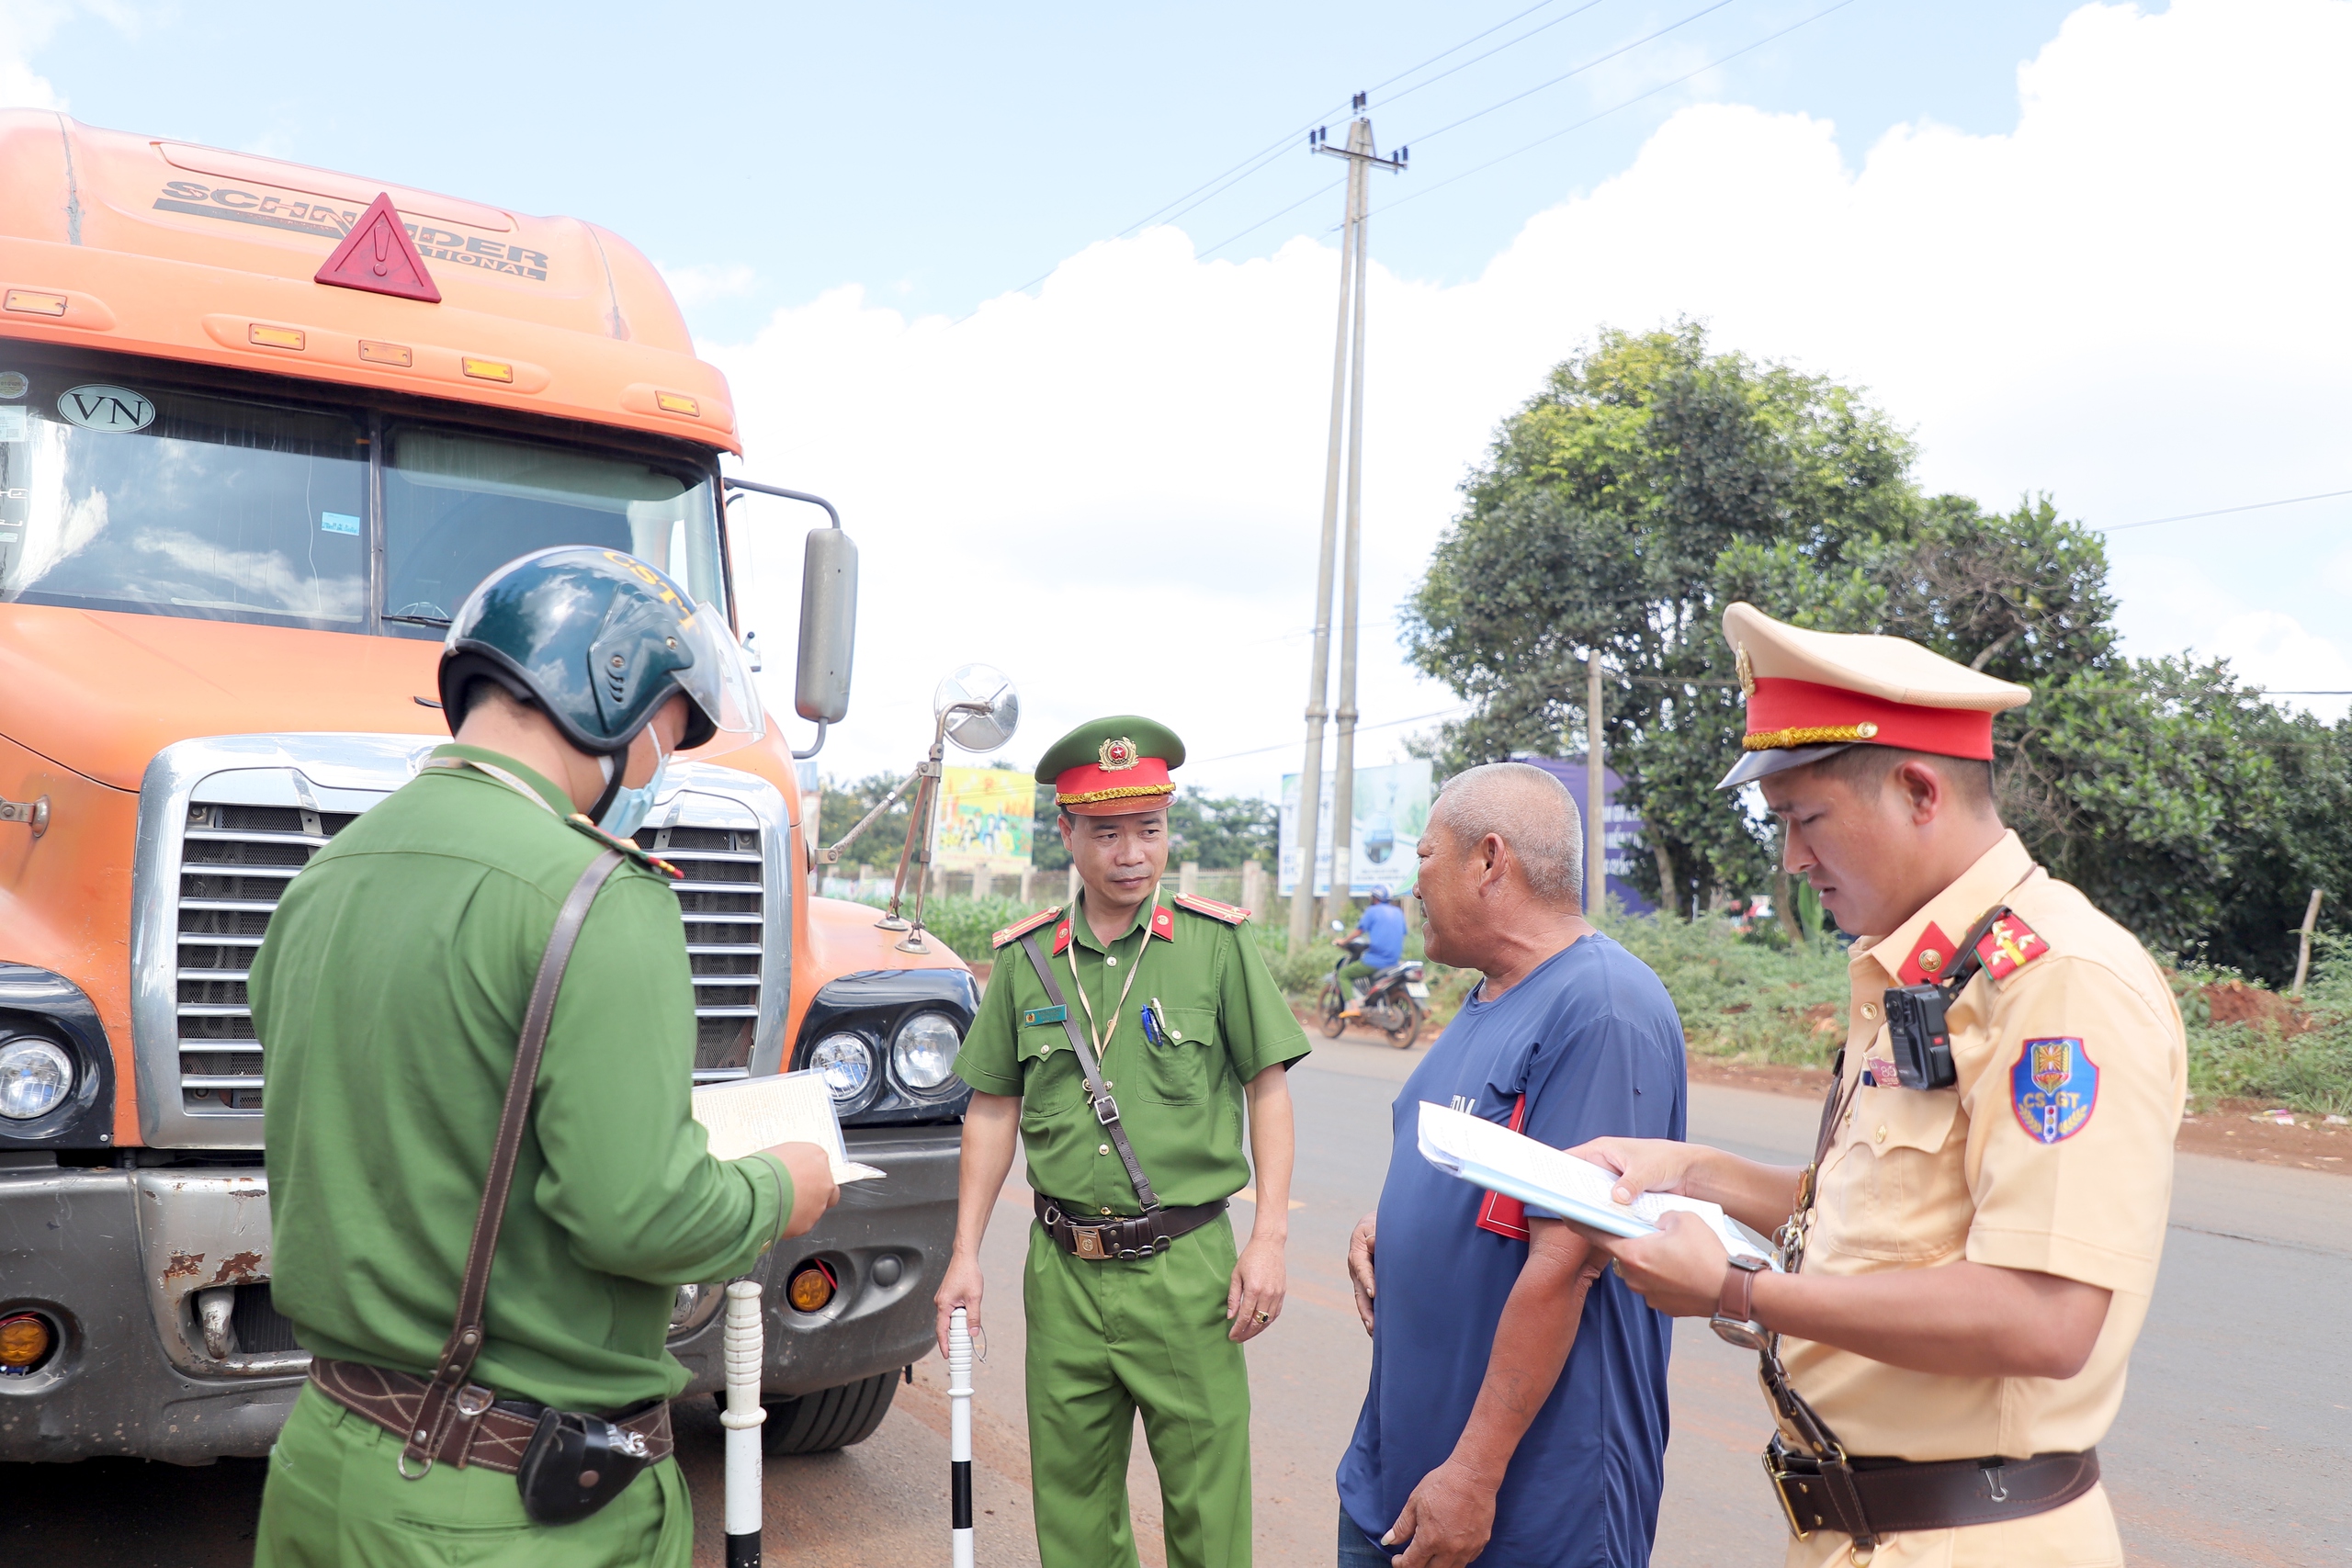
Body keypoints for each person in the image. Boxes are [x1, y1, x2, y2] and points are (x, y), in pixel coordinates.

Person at [249, 547, 840, 1567]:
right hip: (503, 1508)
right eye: (670, 731)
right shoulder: (599, 896)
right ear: (612, 693)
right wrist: (776, 1189)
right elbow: (637, 1214)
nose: (665, 765)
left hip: (326, 1461)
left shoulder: (324, 880)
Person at [1569, 603, 2187, 1568]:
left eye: (1805, 819)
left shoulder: (2057, 982)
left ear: (1917, 790)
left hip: (1972, 1539)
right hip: (1867, 1535)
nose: (1790, 858)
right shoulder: (1929, 971)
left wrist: (1736, 1289)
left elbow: (2042, 1316)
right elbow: (1876, 1225)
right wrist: (1688, 1172)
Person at [935, 716, 1309, 1568]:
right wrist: (965, 1253)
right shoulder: (1028, 959)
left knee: (1209, 1517)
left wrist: (1271, 1236)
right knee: (1072, 1515)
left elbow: (1268, 1089)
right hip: (1061, 1273)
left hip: (1186, 1273)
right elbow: (991, 1110)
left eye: (1150, 828)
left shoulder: (1216, 945)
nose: (1133, 852)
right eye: (1107, 832)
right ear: (1067, 833)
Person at [1338, 762, 1687, 1568]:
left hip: (1517, 1507)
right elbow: (1480, 1173)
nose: (1412, 880)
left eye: (1425, 854)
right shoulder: (1492, 994)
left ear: (1489, 859)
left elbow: (1568, 1264)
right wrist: (1391, 1221)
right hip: (1399, 1477)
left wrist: (1473, 1471)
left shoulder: (1601, 1007)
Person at [1336, 886, 1409, 1019]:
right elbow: (1402, 933)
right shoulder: (1398, 912)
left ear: (1375, 898)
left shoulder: (1372, 911)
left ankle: (1354, 1007)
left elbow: (1359, 931)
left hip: (1376, 960)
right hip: (1393, 961)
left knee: (1344, 973)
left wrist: (1344, 941)